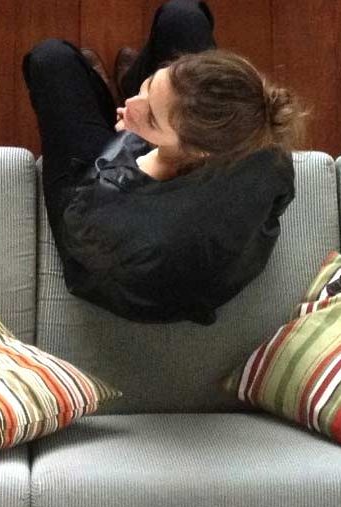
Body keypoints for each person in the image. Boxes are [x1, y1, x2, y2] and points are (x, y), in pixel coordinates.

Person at [22, 0, 309, 325]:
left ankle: (104, 91)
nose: (129, 107)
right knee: (182, 13)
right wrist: (147, 125)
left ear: (199, 150)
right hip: (181, 243)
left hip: (124, 261)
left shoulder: (108, 220)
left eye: (152, 118)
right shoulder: (264, 143)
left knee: (51, 59)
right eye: (151, 83)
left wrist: (125, 141)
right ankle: (139, 89)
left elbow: (82, 230)